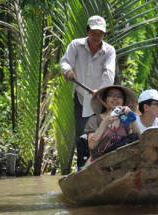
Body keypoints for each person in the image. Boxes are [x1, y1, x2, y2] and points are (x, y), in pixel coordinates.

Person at [60, 15, 116, 170]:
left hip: (100, 100)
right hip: (81, 97)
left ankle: (102, 167)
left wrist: (102, 90)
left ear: (104, 34)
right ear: (87, 31)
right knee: (82, 135)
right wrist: (68, 71)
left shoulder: (109, 51)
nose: (96, 36)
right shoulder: (76, 45)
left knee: (104, 132)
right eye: (94, 32)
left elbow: (109, 73)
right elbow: (65, 61)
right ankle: (82, 169)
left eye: (100, 33)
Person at [84, 85, 140, 163]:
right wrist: (105, 123)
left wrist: (131, 118)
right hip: (97, 164)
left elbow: (137, 139)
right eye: (111, 95)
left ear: (123, 101)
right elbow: (92, 145)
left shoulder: (124, 120)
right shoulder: (95, 119)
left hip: (120, 163)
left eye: (119, 96)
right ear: (104, 100)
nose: (115, 98)